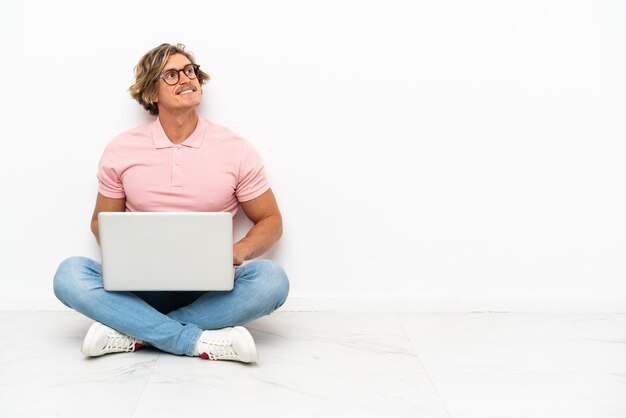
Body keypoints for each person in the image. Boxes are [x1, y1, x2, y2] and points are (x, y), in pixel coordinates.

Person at [53, 43, 289, 363]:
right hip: (141, 286)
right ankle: (192, 339)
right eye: (172, 75)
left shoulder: (236, 149)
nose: (186, 79)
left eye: (190, 71)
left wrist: (238, 251)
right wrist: (129, 252)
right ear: (151, 93)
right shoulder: (121, 149)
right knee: (69, 275)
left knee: (272, 281)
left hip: (212, 287)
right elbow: (100, 222)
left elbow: (271, 220)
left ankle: (132, 331)